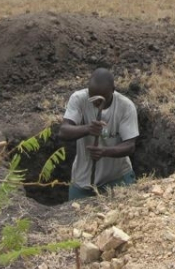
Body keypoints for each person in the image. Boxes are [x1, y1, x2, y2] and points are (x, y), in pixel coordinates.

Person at [59, 68, 139, 201]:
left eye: (101, 98)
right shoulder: (79, 99)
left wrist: (104, 152)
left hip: (118, 178)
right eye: (92, 97)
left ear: (113, 89)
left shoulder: (126, 106)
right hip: (83, 181)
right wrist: (87, 129)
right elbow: (63, 131)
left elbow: (130, 145)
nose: (96, 103)